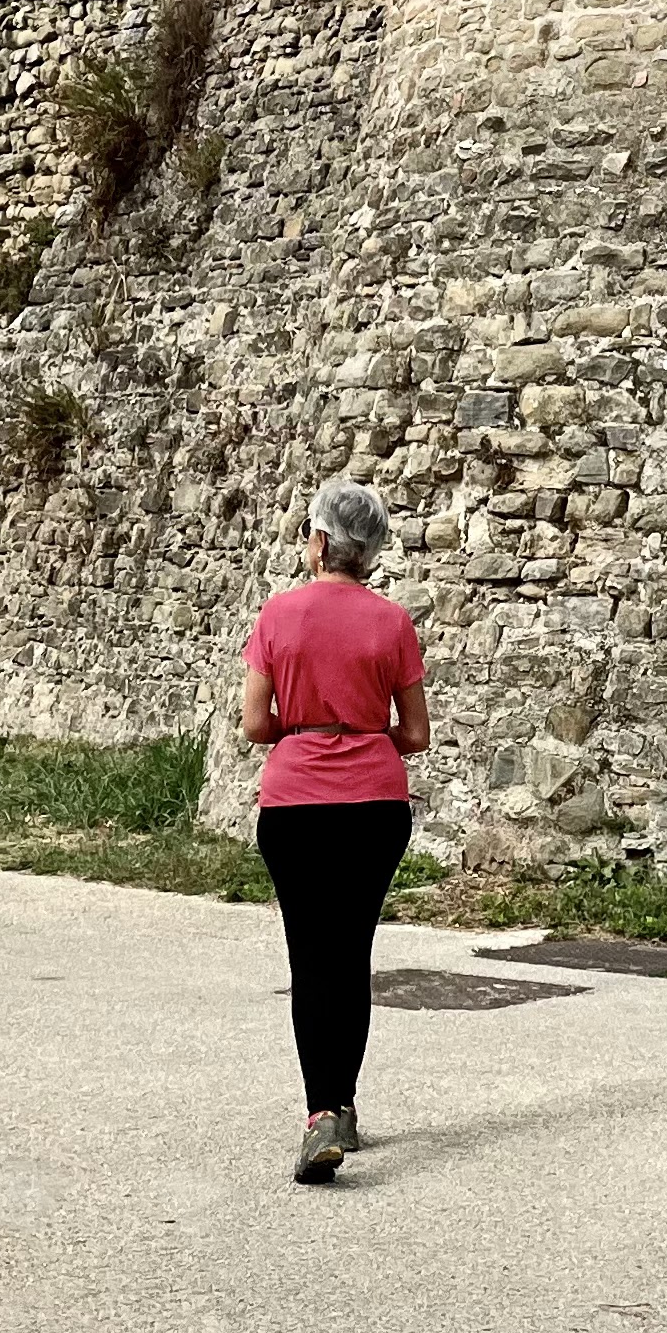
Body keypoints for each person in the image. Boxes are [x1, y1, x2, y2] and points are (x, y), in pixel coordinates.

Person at [239, 476, 430, 1184]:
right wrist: (361, 729)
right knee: (351, 954)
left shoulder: (278, 616)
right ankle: (342, 1105)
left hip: (296, 804)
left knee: (309, 956)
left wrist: (309, 725)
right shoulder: (392, 623)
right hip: (374, 804)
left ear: (319, 541)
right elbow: (416, 732)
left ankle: (321, 1113)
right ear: (370, 551)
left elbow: (257, 723)